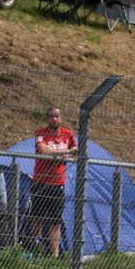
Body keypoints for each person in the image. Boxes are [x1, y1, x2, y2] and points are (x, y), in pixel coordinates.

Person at [30, 105, 77, 258]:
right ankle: (33, 250)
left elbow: (75, 152)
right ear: (47, 118)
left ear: (61, 118)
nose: (54, 119)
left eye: (57, 116)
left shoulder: (68, 135)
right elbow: (43, 151)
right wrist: (65, 153)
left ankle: (55, 254)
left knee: (55, 220)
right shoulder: (40, 133)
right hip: (41, 181)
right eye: (51, 116)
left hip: (58, 183)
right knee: (37, 217)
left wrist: (63, 155)